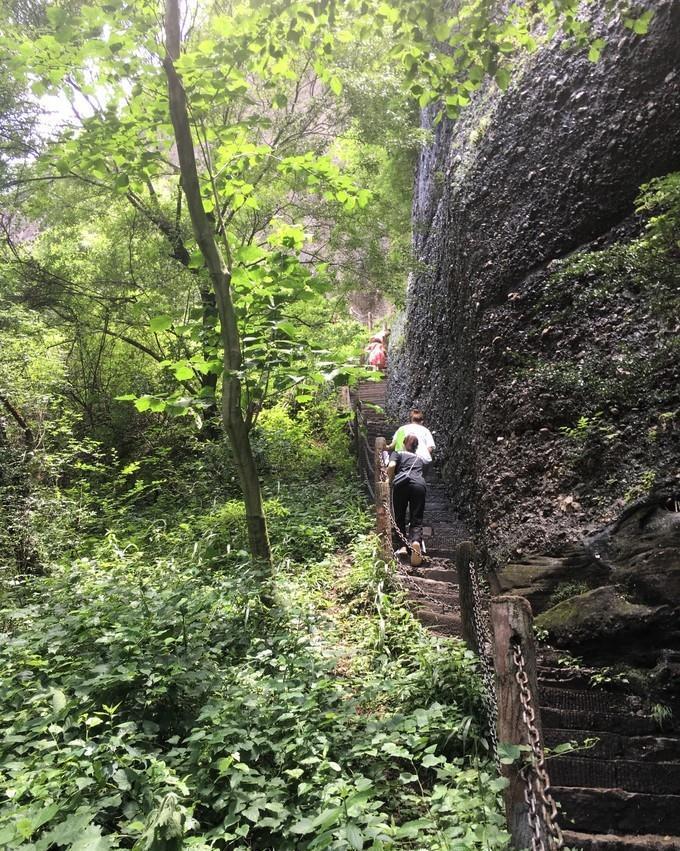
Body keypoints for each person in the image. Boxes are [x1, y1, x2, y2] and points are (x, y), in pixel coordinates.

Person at [387, 433, 426, 566]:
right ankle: (415, 541)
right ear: (416, 447)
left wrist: (389, 479)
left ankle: (403, 546)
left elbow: (391, 466)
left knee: (400, 515)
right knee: (417, 517)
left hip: (402, 484)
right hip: (419, 485)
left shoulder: (398, 454)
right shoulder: (420, 459)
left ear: (404, 444)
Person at [388, 408, 435, 479]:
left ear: (410, 419)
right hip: (423, 460)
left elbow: (397, 445)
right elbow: (430, 448)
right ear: (422, 421)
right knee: (420, 479)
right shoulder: (426, 431)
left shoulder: (402, 429)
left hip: (404, 460)